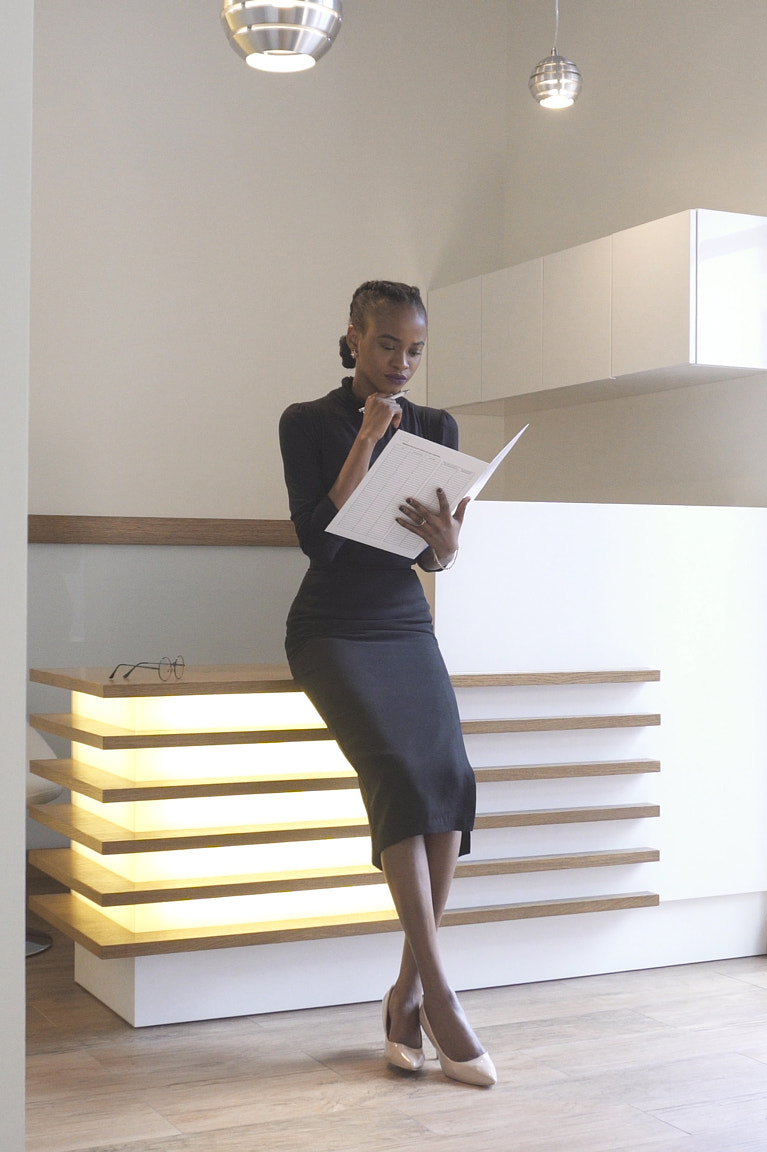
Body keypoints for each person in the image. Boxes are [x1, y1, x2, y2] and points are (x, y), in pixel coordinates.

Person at [277, 280, 496, 1087]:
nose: (401, 362)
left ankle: (405, 992)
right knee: (402, 779)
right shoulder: (310, 421)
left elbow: (435, 554)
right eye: (386, 345)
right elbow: (318, 542)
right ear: (353, 339)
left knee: (449, 780)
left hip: (405, 622)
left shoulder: (438, 428)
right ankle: (440, 993)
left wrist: (446, 547)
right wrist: (367, 438)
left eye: (414, 350)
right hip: (333, 627)